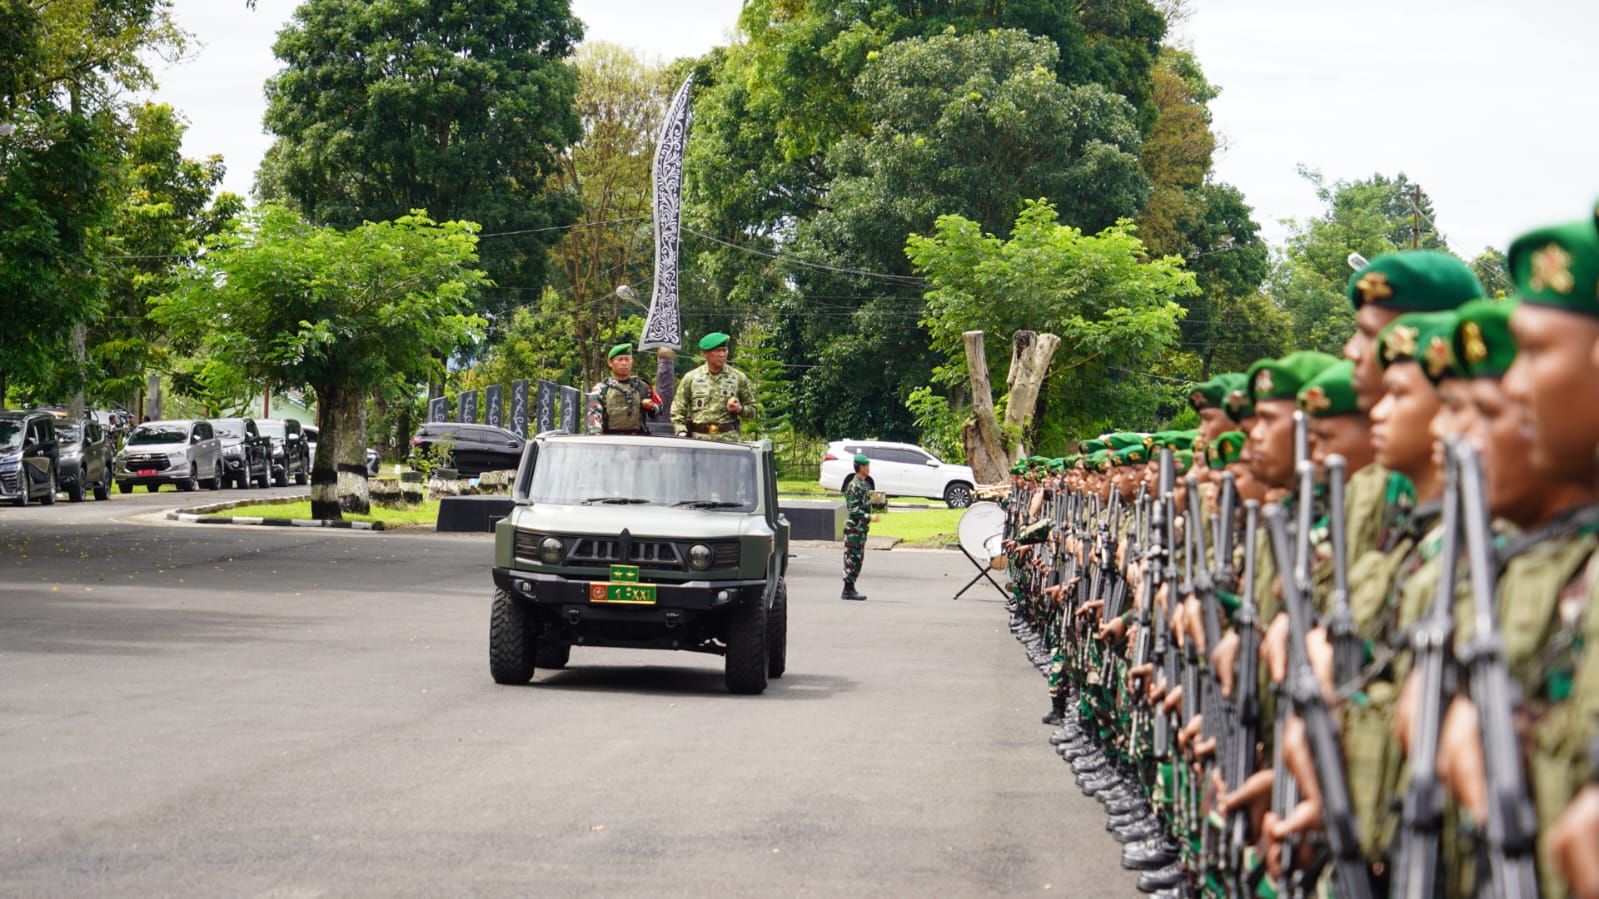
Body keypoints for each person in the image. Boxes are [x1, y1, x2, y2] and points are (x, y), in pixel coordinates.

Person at [671, 332, 758, 439]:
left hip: (728, 440)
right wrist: (681, 431)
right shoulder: (691, 377)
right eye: (717, 351)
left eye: (724, 350)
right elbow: (677, 408)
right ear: (704, 353)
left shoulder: (738, 377)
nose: (722, 354)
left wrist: (739, 409)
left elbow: (752, 410)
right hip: (699, 439)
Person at [596, 343, 659, 435]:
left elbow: (659, 410)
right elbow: (593, 415)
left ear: (632, 361)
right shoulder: (601, 388)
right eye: (620, 359)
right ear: (610, 362)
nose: (624, 363)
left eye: (627, 359)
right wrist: (597, 433)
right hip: (609, 438)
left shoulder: (643, 386)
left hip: (637, 438)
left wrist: (651, 407)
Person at [842, 453, 873, 601]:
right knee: (852, 559)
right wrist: (869, 517)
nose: (868, 468)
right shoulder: (854, 485)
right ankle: (847, 590)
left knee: (858, 559)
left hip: (860, 529)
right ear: (860, 467)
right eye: (866, 466)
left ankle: (851, 588)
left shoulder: (863, 484)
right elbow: (854, 510)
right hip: (854, 529)